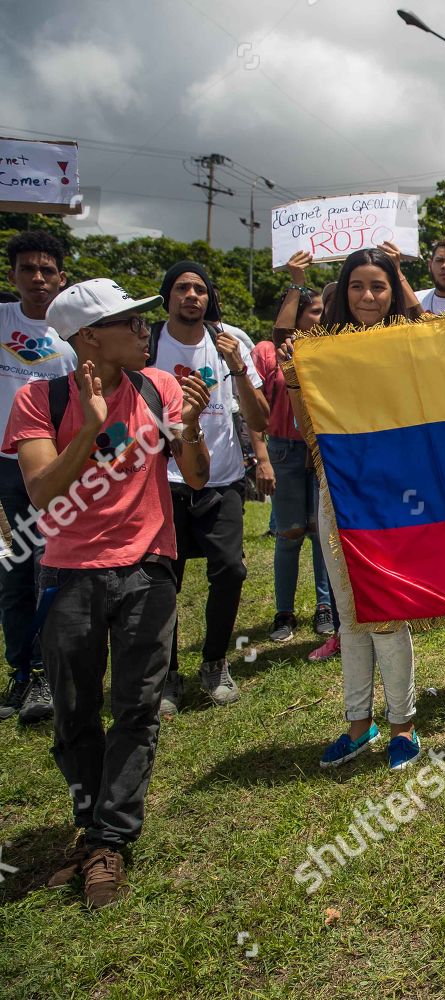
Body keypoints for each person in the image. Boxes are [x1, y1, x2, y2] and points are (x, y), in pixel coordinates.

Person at [3, 277, 211, 907]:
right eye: (132, 322)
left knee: (137, 707)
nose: (145, 330)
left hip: (149, 568)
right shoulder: (40, 399)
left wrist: (193, 427)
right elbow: (42, 495)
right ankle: (91, 819)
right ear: (89, 336)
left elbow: (195, 476)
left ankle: (109, 842)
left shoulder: (161, 387)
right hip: (70, 574)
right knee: (72, 711)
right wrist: (89, 428)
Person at [285, 243, 424, 772]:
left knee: (385, 609)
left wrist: (405, 275)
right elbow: (305, 429)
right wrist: (296, 380)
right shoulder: (319, 347)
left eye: (379, 285)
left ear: (393, 292)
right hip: (336, 491)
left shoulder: (407, 342)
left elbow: (433, 339)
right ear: (342, 292)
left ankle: (403, 727)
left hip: (392, 496)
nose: (368, 295)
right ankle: (358, 724)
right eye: (358, 285)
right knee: (349, 613)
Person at [152, 262, 268, 716]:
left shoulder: (229, 341)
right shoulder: (149, 345)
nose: (192, 296)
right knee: (164, 581)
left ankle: (215, 662)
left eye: (200, 289)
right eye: (182, 287)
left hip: (221, 480)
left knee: (230, 571)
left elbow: (258, 419)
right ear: (167, 297)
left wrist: (238, 368)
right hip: (163, 482)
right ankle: (167, 675)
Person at [0, 231, 76, 724]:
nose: (38, 278)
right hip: (4, 468)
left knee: (42, 569)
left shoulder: (74, 336)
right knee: (10, 574)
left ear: (62, 278)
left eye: (47, 270)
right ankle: (21, 673)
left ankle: (45, 674)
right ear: (12, 277)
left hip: (50, 468)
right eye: (28, 269)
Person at [253, 251, 335, 646]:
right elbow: (281, 336)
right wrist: (297, 282)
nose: (320, 318)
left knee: (322, 532)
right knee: (290, 532)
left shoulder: (325, 348)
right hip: (285, 450)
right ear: (299, 313)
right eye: (315, 311)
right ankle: (284, 612)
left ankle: (324, 607)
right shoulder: (271, 353)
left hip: (319, 450)